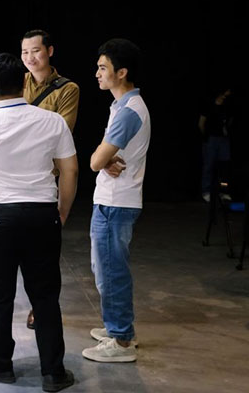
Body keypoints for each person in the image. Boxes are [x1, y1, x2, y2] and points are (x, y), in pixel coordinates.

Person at [0, 53, 77, 391]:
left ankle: (1, 364)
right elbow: (70, 171)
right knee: (45, 296)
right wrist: (62, 211)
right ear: (24, 82)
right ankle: (53, 372)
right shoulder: (53, 122)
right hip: (42, 216)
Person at [82, 38, 150, 363]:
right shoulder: (121, 106)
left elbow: (95, 160)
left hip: (116, 202)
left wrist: (101, 158)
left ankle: (121, 340)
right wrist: (103, 158)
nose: (97, 73)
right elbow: (102, 157)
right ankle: (117, 329)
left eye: (103, 68)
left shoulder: (129, 112)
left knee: (111, 271)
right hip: (113, 200)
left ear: (122, 72)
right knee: (106, 268)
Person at [199, 86, 233, 202]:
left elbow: (229, 120)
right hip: (211, 139)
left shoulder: (227, 105)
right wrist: (206, 137)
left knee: (224, 168)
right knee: (208, 166)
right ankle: (206, 191)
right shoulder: (209, 105)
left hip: (224, 139)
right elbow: (201, 123)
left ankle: (223, 191)